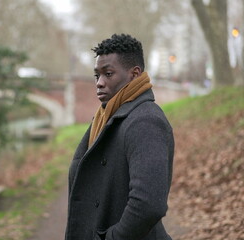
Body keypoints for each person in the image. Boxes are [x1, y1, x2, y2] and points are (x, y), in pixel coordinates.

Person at [65, 34, 174, 240]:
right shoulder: (107, 117)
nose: (99, 83)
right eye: (97, 75)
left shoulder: (145, 120)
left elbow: (149, 204)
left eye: (108, 73)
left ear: (134, 74)